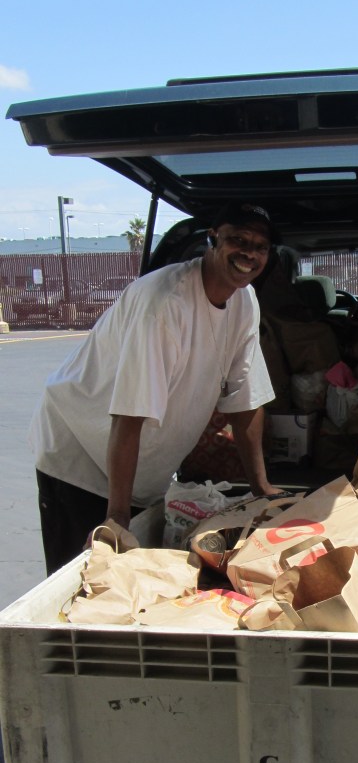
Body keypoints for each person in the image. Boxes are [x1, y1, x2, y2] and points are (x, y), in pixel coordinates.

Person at [31, 200, 282, 575]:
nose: (249, 253)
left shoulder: (244, 300)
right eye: (238, 240)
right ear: (212, 239)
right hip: (80, 457)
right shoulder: (165, 304)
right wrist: (116, 517)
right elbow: (130, 416)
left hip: (138, 471)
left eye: (260, 246)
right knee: (86, 588)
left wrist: (262, 489)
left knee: (133, 583)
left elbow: (245, 401)